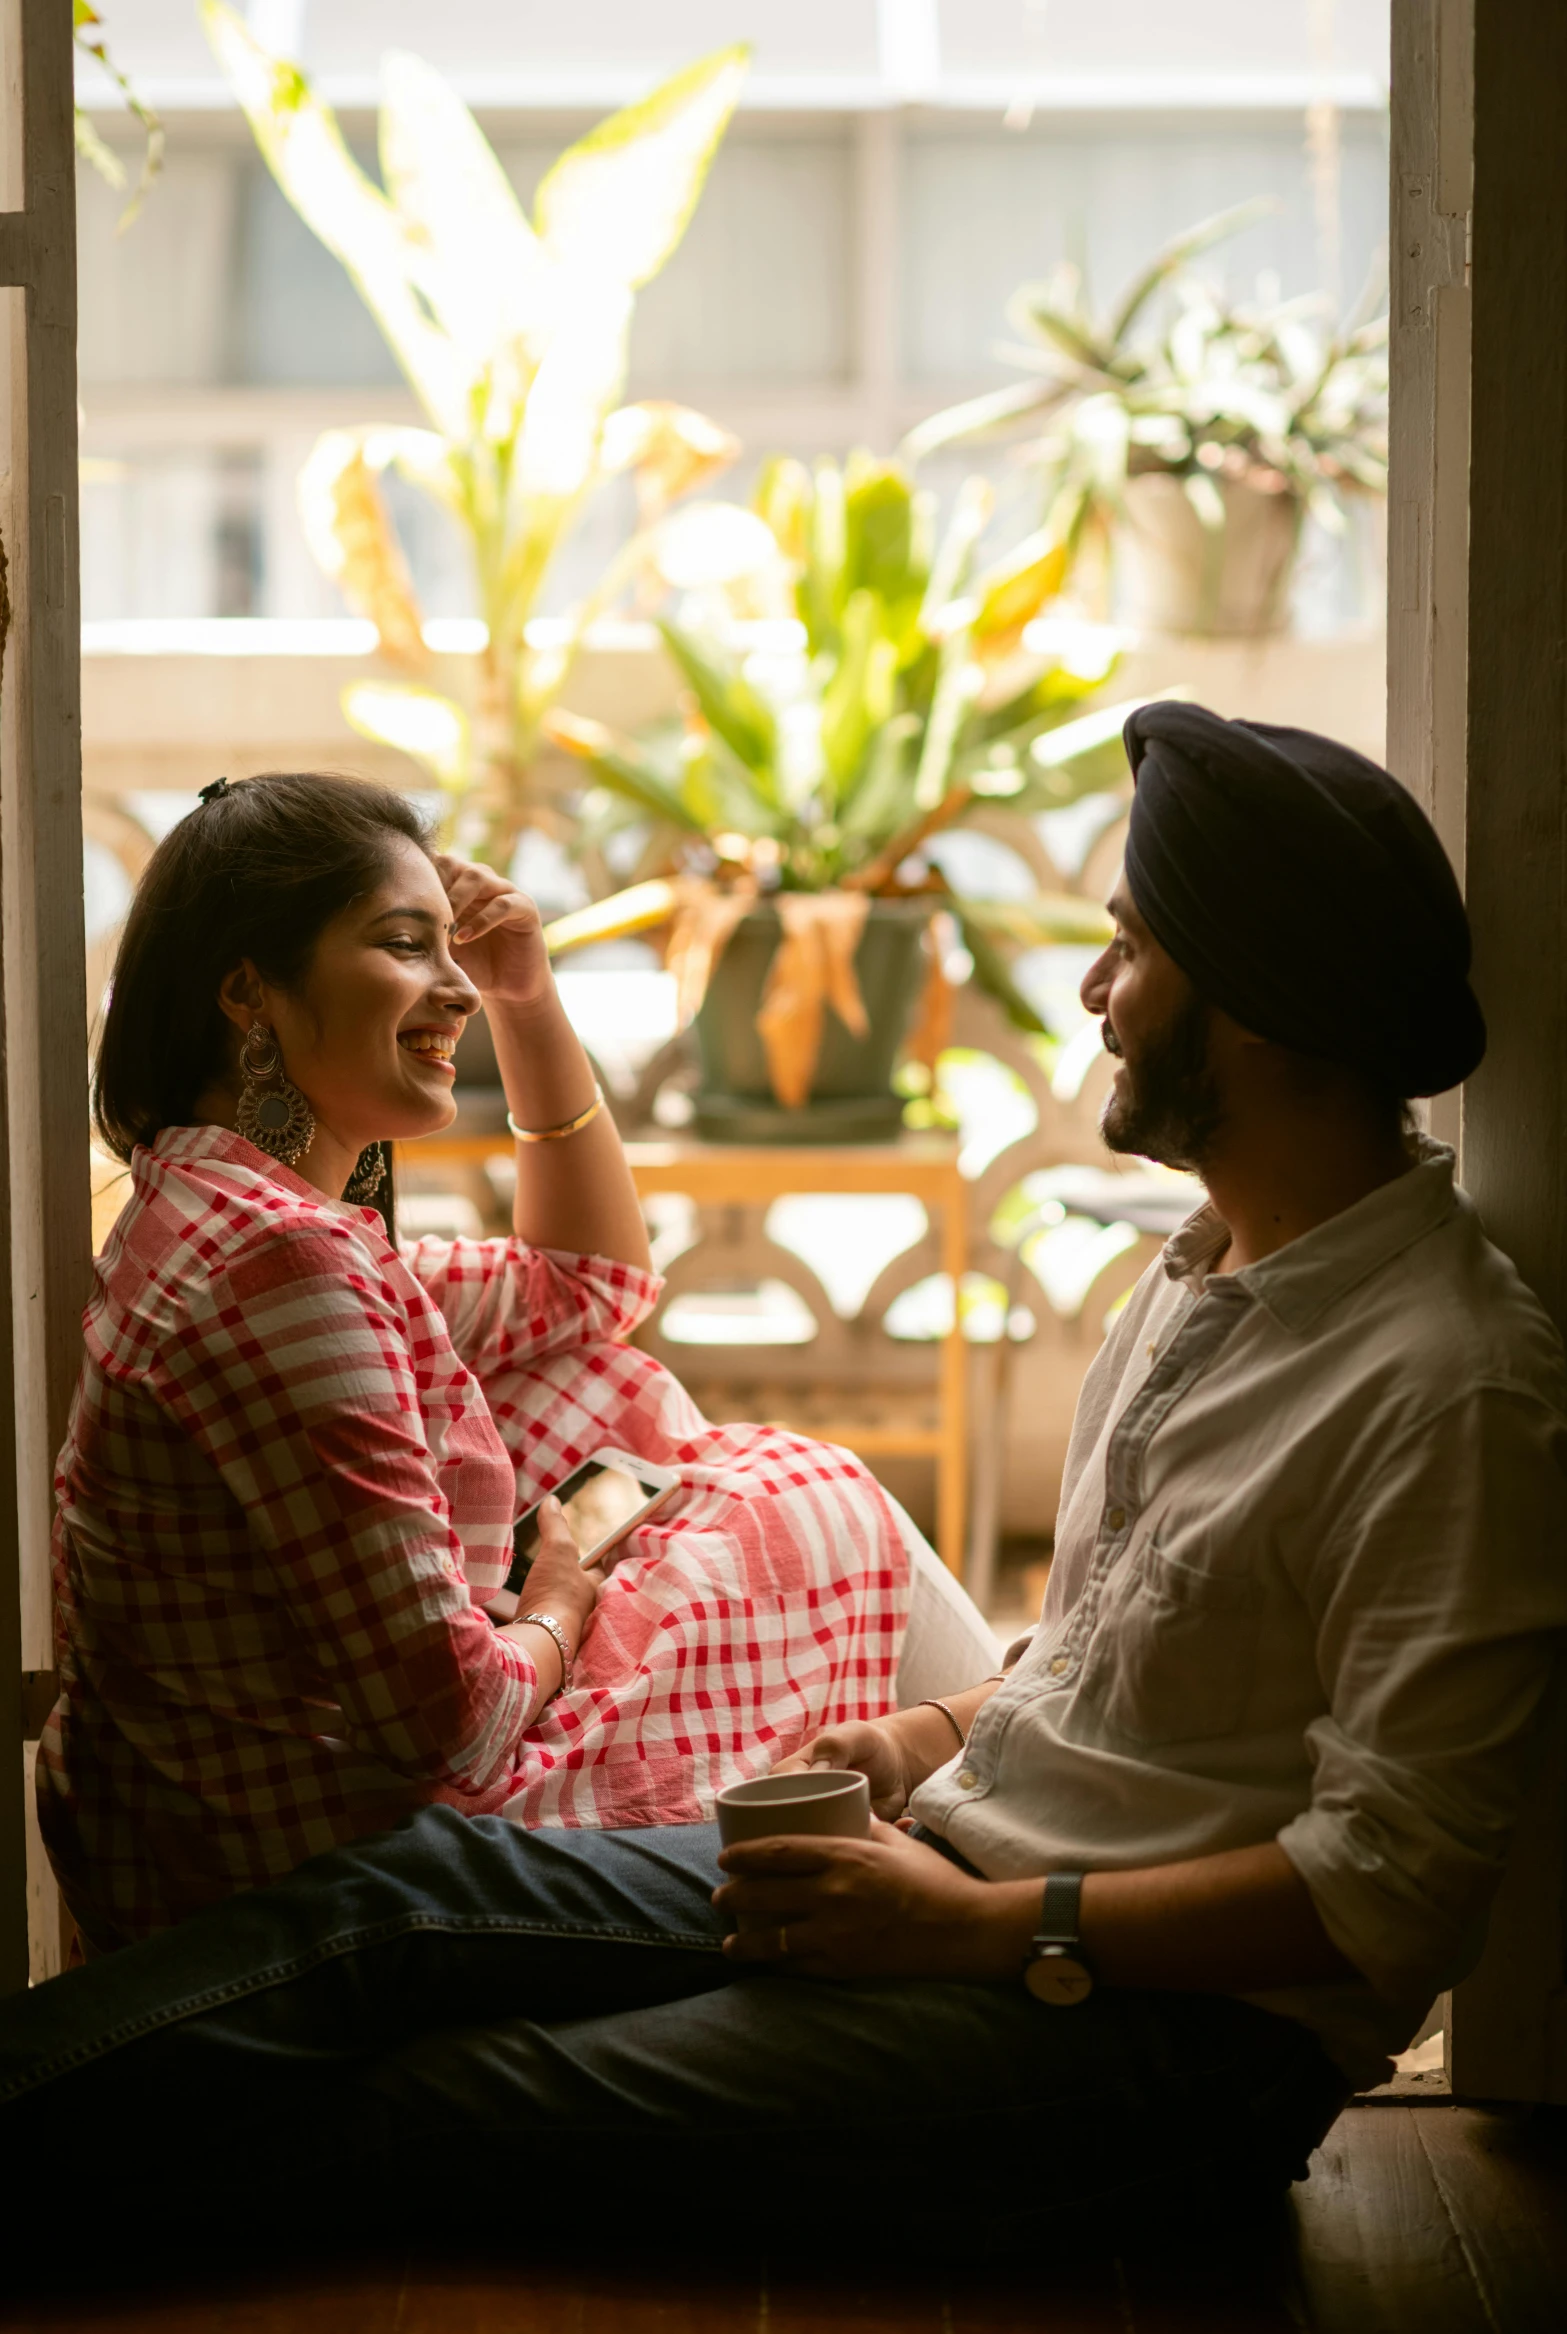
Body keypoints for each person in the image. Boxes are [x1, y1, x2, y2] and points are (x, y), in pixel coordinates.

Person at [6, 705, 1566, 2247]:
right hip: (954, 1853)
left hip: (1155, 2046)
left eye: (1131, 952)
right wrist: (909, 1741)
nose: (1090, 992)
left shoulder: (1447, 1383)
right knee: (402, 1901)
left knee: (449, 2091)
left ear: (1262, 1009)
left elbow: (1385, 1890)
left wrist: (967, 1923)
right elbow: (1105, 1658)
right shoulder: (1200, 1278)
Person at [39, 771, 996, 1954]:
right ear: (251, 990)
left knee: (597, 1384)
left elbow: (592, 1285)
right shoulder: (279, 1264)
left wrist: (528, 996)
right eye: (402, 945)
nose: (454, 990)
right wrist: (554, 1602)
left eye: (454, 953)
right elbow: (453, 1725)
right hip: (332, 1870)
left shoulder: (209, 1202)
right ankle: (1003, 1773)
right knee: (806, 1495)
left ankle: (995, 1736)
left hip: (220, 1816)